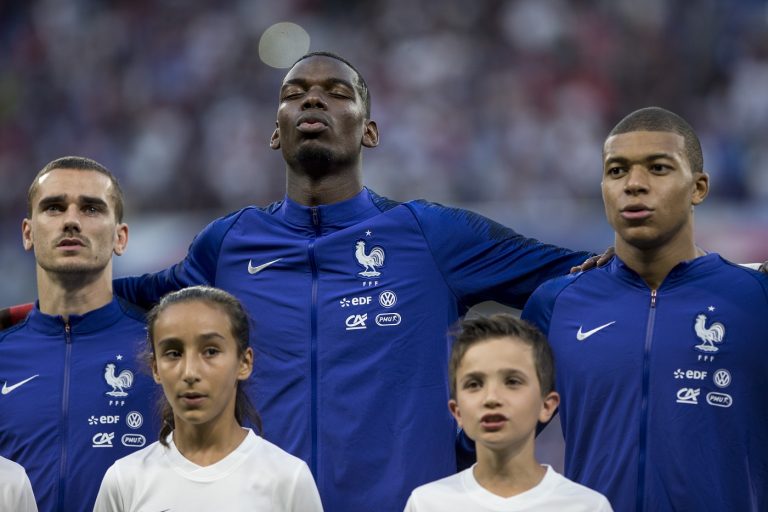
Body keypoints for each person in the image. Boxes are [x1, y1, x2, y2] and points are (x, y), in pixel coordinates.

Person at [107, 51, 600, 512]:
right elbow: (122, 302)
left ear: (370, 131)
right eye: (293, 92)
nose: (312, 99)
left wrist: (477, 442)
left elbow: (576, 281)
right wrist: (39, 303)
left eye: (337, 92)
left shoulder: (429, 234)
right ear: (275, 133)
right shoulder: (228, 244)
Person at [522, 107, 768, 511]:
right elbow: (495, 440)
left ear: (699, 187)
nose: (634, 185)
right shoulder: (556, 304)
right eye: (617, 171)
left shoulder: (755, 298)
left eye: (658, 168)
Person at [0, 157, 156, 512]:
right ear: (28, 233)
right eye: (54, 207)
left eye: (91, 208)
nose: (71, 220)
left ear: (121, 237)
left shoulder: (163, 349)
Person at [93, 286, 324, 511]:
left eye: (211, 351)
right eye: (173, 353)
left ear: (244, 363)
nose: (190, 372)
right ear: (155, 368)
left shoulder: (288, 480)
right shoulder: (123, 481)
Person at [403, 314, 612, 511]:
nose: (492, 398)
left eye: (512, 381)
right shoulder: (426, 504)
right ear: (457, 412)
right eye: (474, 384)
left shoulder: (588, 506)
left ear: (547, 405)